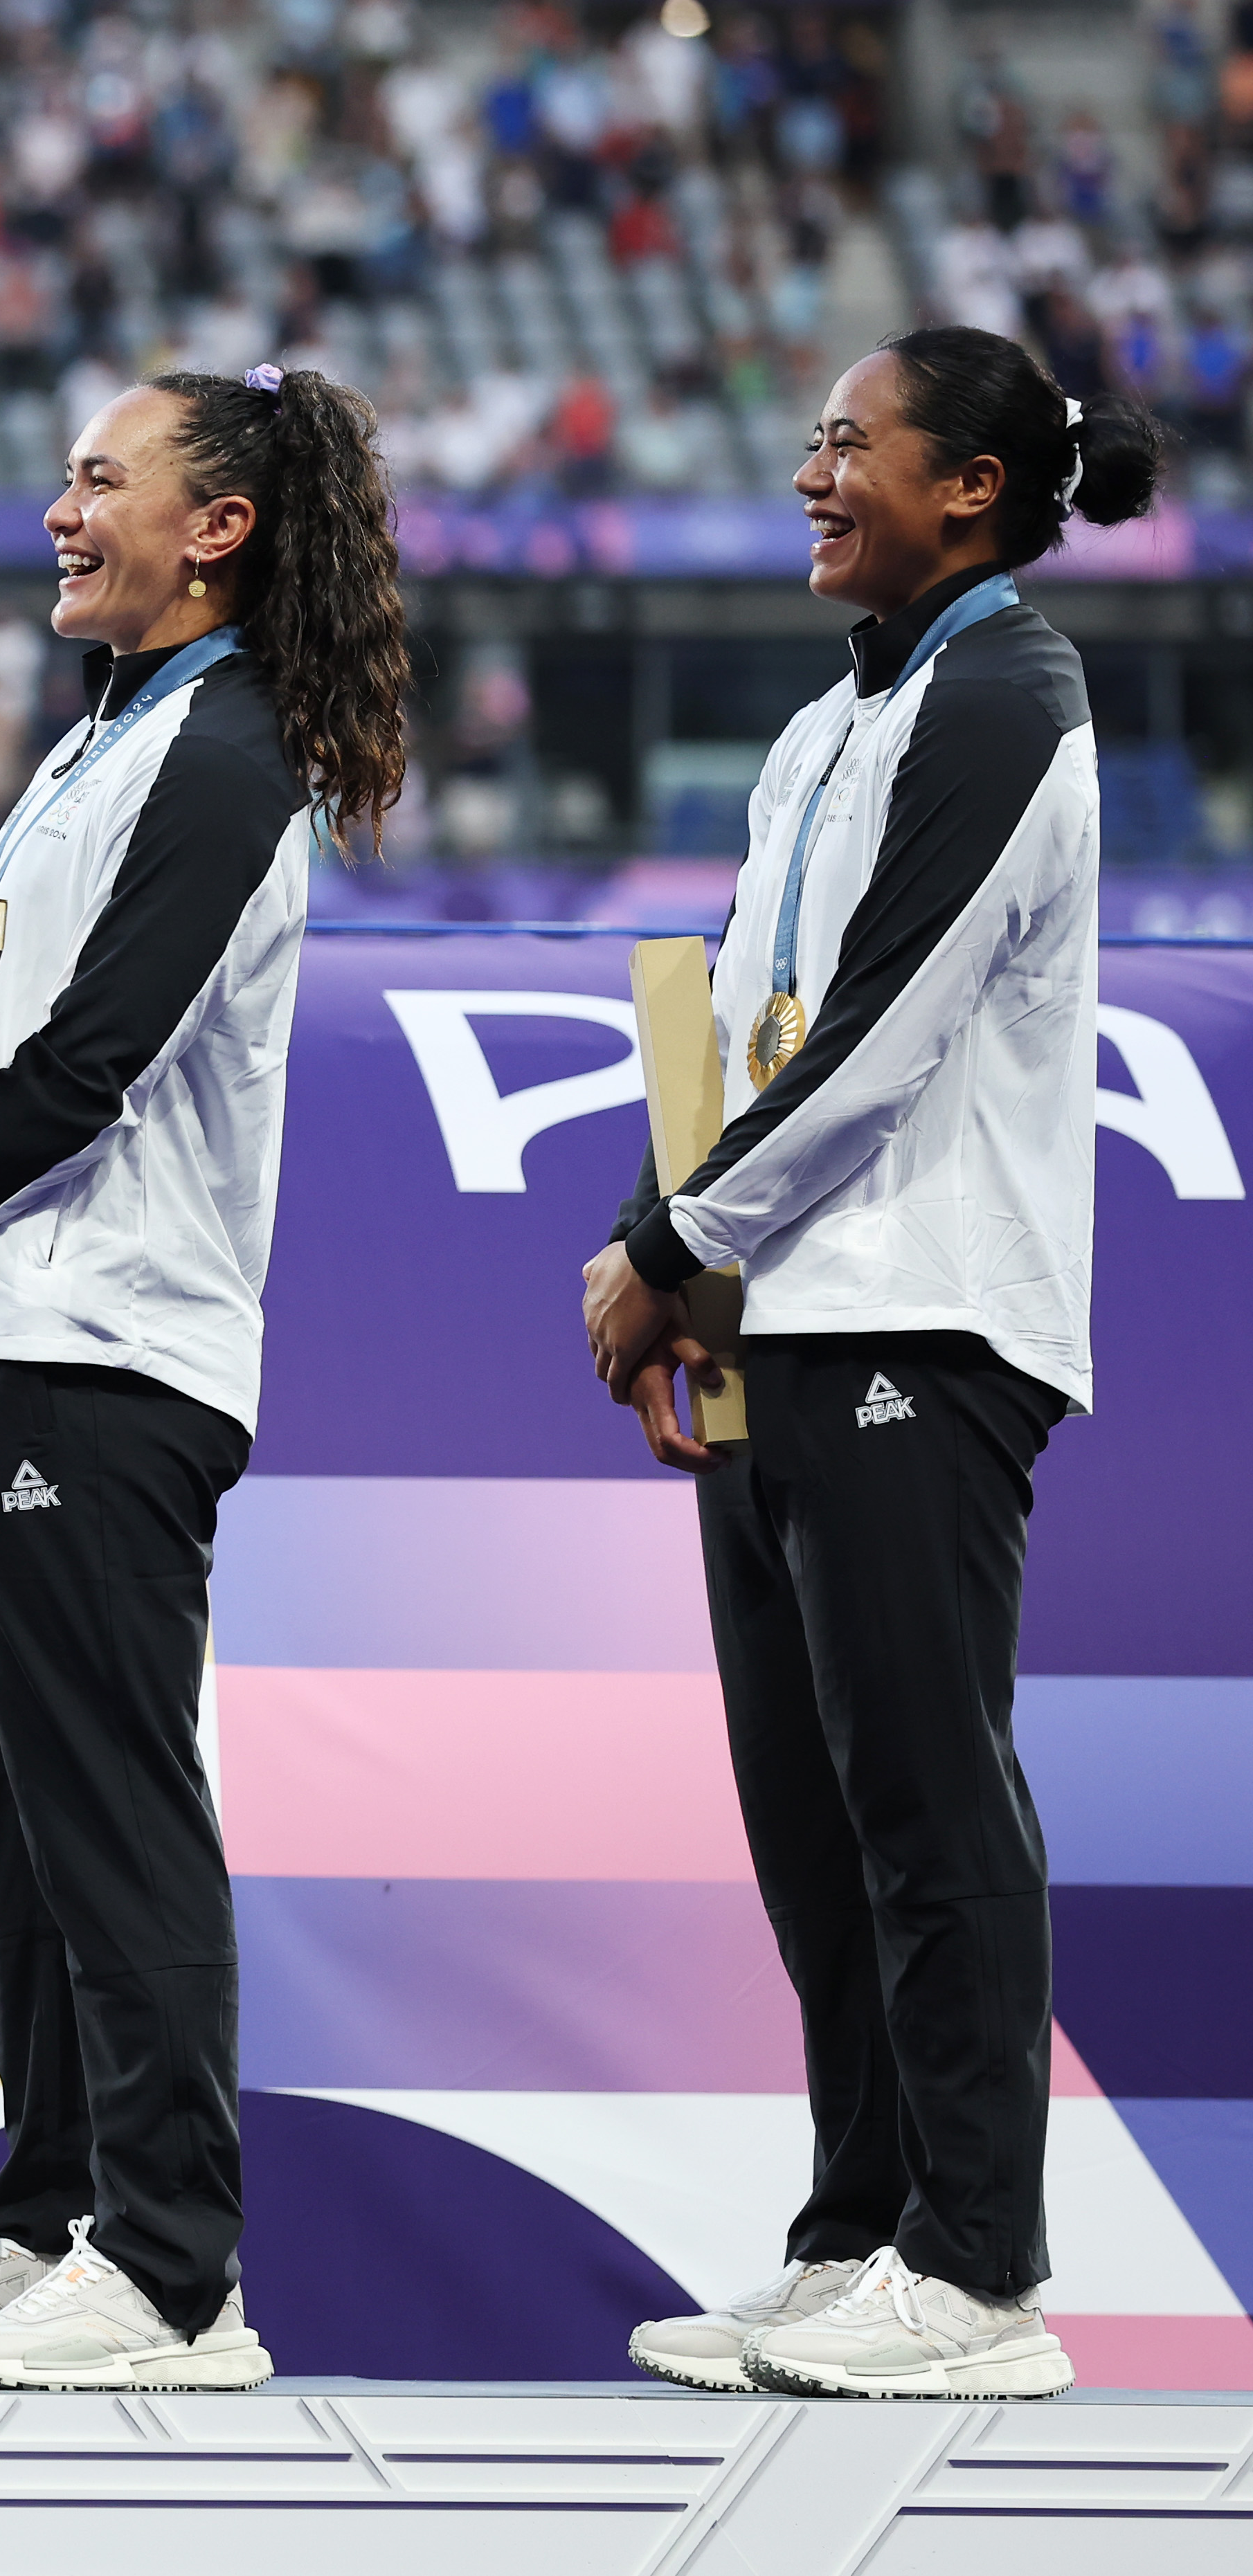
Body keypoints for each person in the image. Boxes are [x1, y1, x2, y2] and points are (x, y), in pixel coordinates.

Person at [0, 365, 412, 2392]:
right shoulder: (90, 743)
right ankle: (51, 2210)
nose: (60, 511)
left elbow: (86, 1065)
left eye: (98, 481)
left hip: (104, 1353)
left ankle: (173, 2271)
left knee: (108, 1806)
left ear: (215, 527)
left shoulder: (228, 751)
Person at [592, 327, 1153, 2404]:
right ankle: (861, 2236)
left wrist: (665, 1249)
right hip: (794, 1317)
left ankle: (981, 2267)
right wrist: (712, 1292)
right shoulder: (835, 721)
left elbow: (891, 1023)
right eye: (813, 440)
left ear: (974, 489)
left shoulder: (1011, 690)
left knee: (927, 1791)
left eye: (853, 442)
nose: (814, 471)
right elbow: (749, 1028)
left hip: (928, 1311)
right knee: (815, 1811)